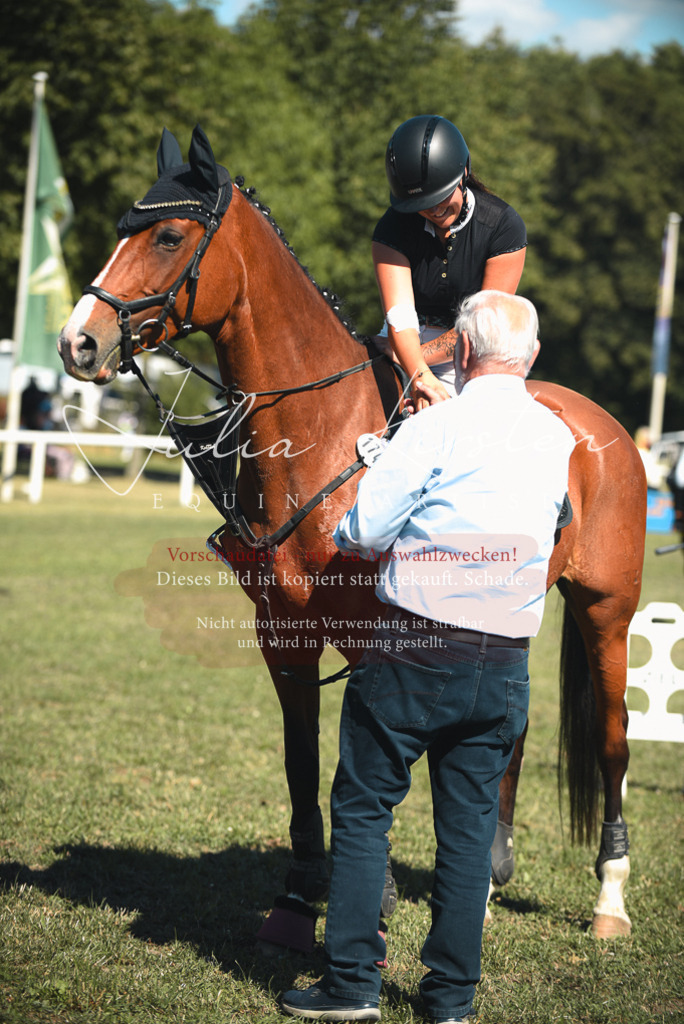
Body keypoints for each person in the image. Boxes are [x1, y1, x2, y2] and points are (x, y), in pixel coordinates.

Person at [281, 291, 576, 1024]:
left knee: (361, 810)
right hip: (505, 660)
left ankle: (351, 984)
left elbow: (362, 532)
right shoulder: (556, 438)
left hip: (412, 650)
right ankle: (449, 999)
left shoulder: (434, 427)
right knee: (470, 828)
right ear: (532, 357)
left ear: (464, 355)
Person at [372, 115, 527, 410]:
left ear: (464, 172)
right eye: (420, 205)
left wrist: (407, 358)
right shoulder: (391, 229)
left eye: (442, 196)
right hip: (402, 337)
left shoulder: (503, 226)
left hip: (473, 350)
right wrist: (416, 370)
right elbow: (400, 316)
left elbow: (478, 327)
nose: (434, 209)